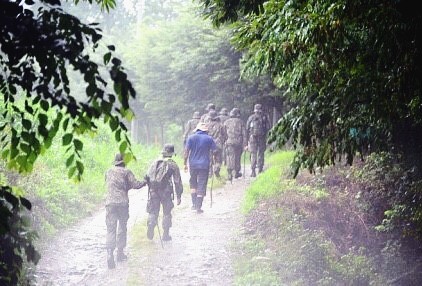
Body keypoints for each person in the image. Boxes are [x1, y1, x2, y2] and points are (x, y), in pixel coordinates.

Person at [105, 153, 148, 269]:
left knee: (111, 229)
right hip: (122, 204)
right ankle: (120, 253)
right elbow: (135, 184)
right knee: (122, 227)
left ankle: (109, 254)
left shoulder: (108, 172)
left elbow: (110, 185)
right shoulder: (126, 172)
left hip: (110, 203)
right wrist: (145, 181)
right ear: (124, 162)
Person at [145, 144, 183, 241]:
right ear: (171, 154)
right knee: (166, 212)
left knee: (153, 211)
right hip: (166, 192)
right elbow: (177, 181)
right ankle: (165, 235)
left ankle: (150, 225)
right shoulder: (173, 164)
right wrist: (179, 196)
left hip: (153, 190)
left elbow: (147, 177)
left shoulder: (155, 162)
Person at [184, 122, 217, 213]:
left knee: (193, 182)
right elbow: (215, 151)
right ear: (205, 130)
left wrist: (184, 163)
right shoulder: (209, 138)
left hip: (193, 164)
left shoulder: (191, 137)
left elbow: (186, 151)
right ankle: (198, 206)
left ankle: (194, 204)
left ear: (197, 130)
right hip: (204, 165)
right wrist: (215, 160)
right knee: (202, 183)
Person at [246, 103, 271, 177]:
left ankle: (253, 171)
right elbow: (268, 128)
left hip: (252, 138)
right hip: (262, 138)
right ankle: (260, 169)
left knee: (253, 153)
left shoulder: (251, 117)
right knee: (260, 153)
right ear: (261, 109)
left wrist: (247, 139)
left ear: (254, 110)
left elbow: (247, 128)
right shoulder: (264, 117)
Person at [224, 108, 247, 181]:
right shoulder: (241, 122)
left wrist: (225, 141)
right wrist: (245, 144)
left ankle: (229, 173)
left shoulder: (226, 122)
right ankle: (236, 172)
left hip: (229, 141)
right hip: (238, 142)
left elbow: (223, 133)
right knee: (237, 156)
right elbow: (244, 134)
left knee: (230, 157)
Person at [207, 109, 227, 178]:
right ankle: (216, 169)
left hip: (208, 144)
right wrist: (222, 141)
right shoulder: (221, 125)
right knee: (218, 160)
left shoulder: (206, 125)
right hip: (218, 144)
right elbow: (225, 136)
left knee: (209, 160)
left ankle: (210, 174)